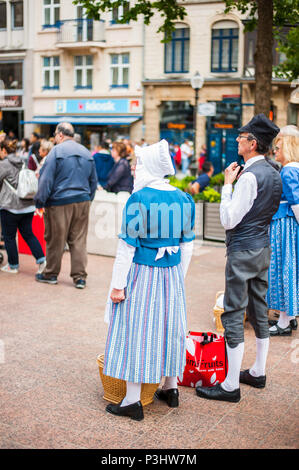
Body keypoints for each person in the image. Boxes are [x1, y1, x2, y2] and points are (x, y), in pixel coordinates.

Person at [103, 140, 195, 421]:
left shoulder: (139, 199)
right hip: (172, 274)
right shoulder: (184, 199)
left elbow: (127, 247)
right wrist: (179, 276)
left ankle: (132, 400)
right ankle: (171, 387)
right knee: (169, 327)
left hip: (143, 272)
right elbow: (188, 245)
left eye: (139, 163)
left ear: (150, 167)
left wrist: (118, 285)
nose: (134, 167)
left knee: (138, 330)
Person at [196, 114, 282, 403]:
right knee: (259, 309)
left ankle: (230, 385)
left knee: (233, 312)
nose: (236, 140)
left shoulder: (248, 177)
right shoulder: (274, 171)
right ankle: (257, 371)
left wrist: (227, 184)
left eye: (241, 137)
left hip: (243, 249)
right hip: (262, 248)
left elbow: (229, 220)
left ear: (253, 143)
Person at [34, 122, 98, 289]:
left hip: (60, 202)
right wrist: (87, 199)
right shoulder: (86, 152)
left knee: (55, 239)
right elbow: (93, 181)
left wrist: (40, 201)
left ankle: (50, 274)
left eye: (55, 134)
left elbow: (46, 180)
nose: (55, 138)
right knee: (78, 240)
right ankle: (80, 277)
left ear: (61, 135)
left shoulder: (56, 152)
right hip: (82, 200)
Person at [267, 125, 299, 336]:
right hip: (288, 224)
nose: (275, 152)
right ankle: (289, 316)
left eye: (278, 149)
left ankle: (285, 322)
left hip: (284, 225)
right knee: (290, 269)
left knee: (282, 269)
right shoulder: (293, 169)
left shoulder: (288, 171)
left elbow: (296, 202)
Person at [0, 139, 46, 274]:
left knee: (9, 237)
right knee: (28, 234)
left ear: (3, 150)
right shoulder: (23, 161)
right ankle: (42, 260)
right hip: (27, 206)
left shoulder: (4, 164)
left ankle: (13, 265)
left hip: (10, 206)